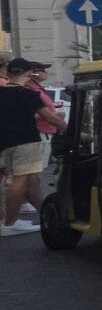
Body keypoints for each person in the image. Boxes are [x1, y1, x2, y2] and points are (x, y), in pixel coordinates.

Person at [1, 59, 68, 235]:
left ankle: (48, 214)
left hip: (6, 142)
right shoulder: (29, 94)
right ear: (29, 73)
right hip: (27, 141)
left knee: (32, 181)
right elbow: (49, 117)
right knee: (20, 180)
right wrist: (71, 130)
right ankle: (9, 223)